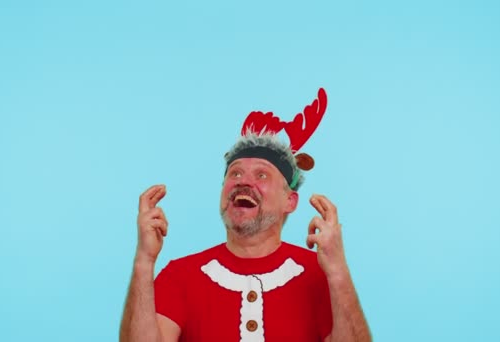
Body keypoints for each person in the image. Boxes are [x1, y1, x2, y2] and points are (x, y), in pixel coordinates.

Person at [120, 90, 371, 342]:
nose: (243, 182)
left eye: (261, 175)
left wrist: (338, 272)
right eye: (235, 174)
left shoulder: (320, 277)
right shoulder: (179, 277)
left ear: (290, 201)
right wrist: (144, 260)